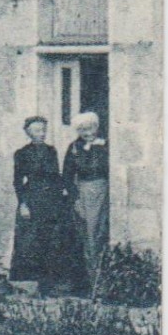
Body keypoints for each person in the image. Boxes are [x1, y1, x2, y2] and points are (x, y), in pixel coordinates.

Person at [10, 116, 78, 294]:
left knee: (53, 240)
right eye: (37, 130)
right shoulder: (22, 153)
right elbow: (18, 181)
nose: (41, 134)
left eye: (43, 130)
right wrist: (23, 204)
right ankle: (31, 285)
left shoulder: (51, 151)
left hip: (52, 199)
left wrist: (65, 192)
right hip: (33, 199)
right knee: (32, 241)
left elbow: (56, 175)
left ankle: (51, 285)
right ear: (28, 132)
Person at [63, 111, 110, 294]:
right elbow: (67, 176)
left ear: (97, 127)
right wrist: (75, 198)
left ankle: (104, 283)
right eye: (82, 129)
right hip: (83, 194)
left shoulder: (106, 145)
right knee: (87, 237)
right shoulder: (74, 147)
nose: (87, 133)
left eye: (90, 128)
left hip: (104, 191)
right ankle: (91, 284)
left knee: (101, 234)